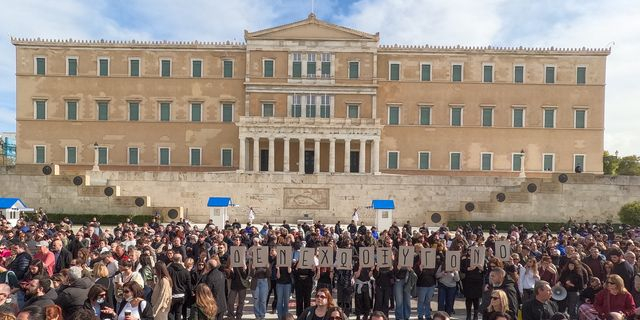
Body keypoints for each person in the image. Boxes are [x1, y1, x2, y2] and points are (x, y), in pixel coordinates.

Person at [167, 254, 192, 320]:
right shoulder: (185, 271)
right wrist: (190, 294)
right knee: (178, 313)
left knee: (170, 312)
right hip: (181, 295)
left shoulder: (168, 270)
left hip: (171, 295)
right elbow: (189, 285)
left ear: (173, 259)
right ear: (181, 260)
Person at [461, 252, 484, 320]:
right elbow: (461, 269)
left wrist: (482, 268)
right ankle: (468, 315)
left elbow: (486, 270)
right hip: (468, 282)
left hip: (478, 283)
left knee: (476, 300)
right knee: (468, 299)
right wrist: (468, 269)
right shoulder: (465, 260)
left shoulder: (482, 260)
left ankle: (475, 316)